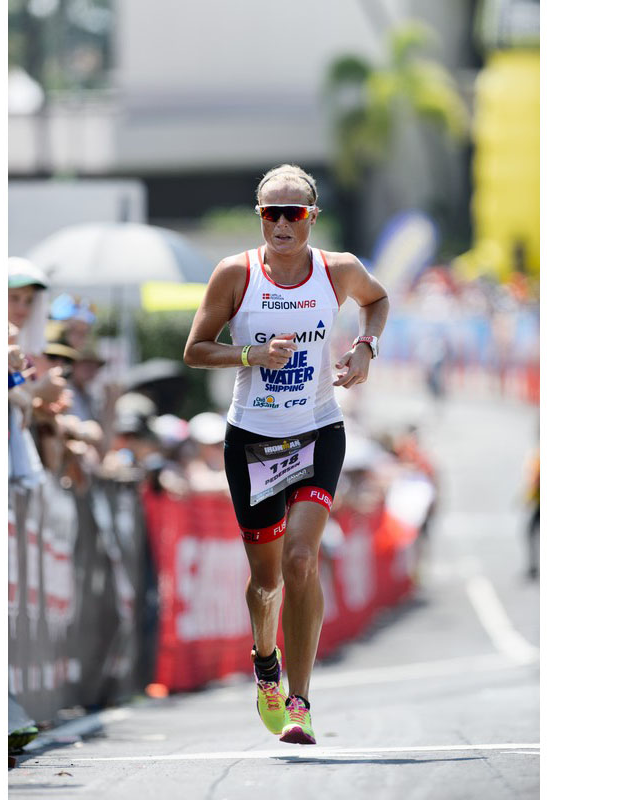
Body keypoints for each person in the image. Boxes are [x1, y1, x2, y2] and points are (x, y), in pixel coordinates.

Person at [183, 164, 389, 745]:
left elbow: (377, 300)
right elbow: (196, 350)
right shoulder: (236, 274)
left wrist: (366, 347)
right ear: (259, 218)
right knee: (266, 581)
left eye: (292, 212)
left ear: (311, 218)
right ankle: (265, 661)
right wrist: (249, 355)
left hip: (318, 430)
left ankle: (299, 701)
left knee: (302, 560)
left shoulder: (338, 270)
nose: (280, 223)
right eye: (270, 212)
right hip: (251, 439)